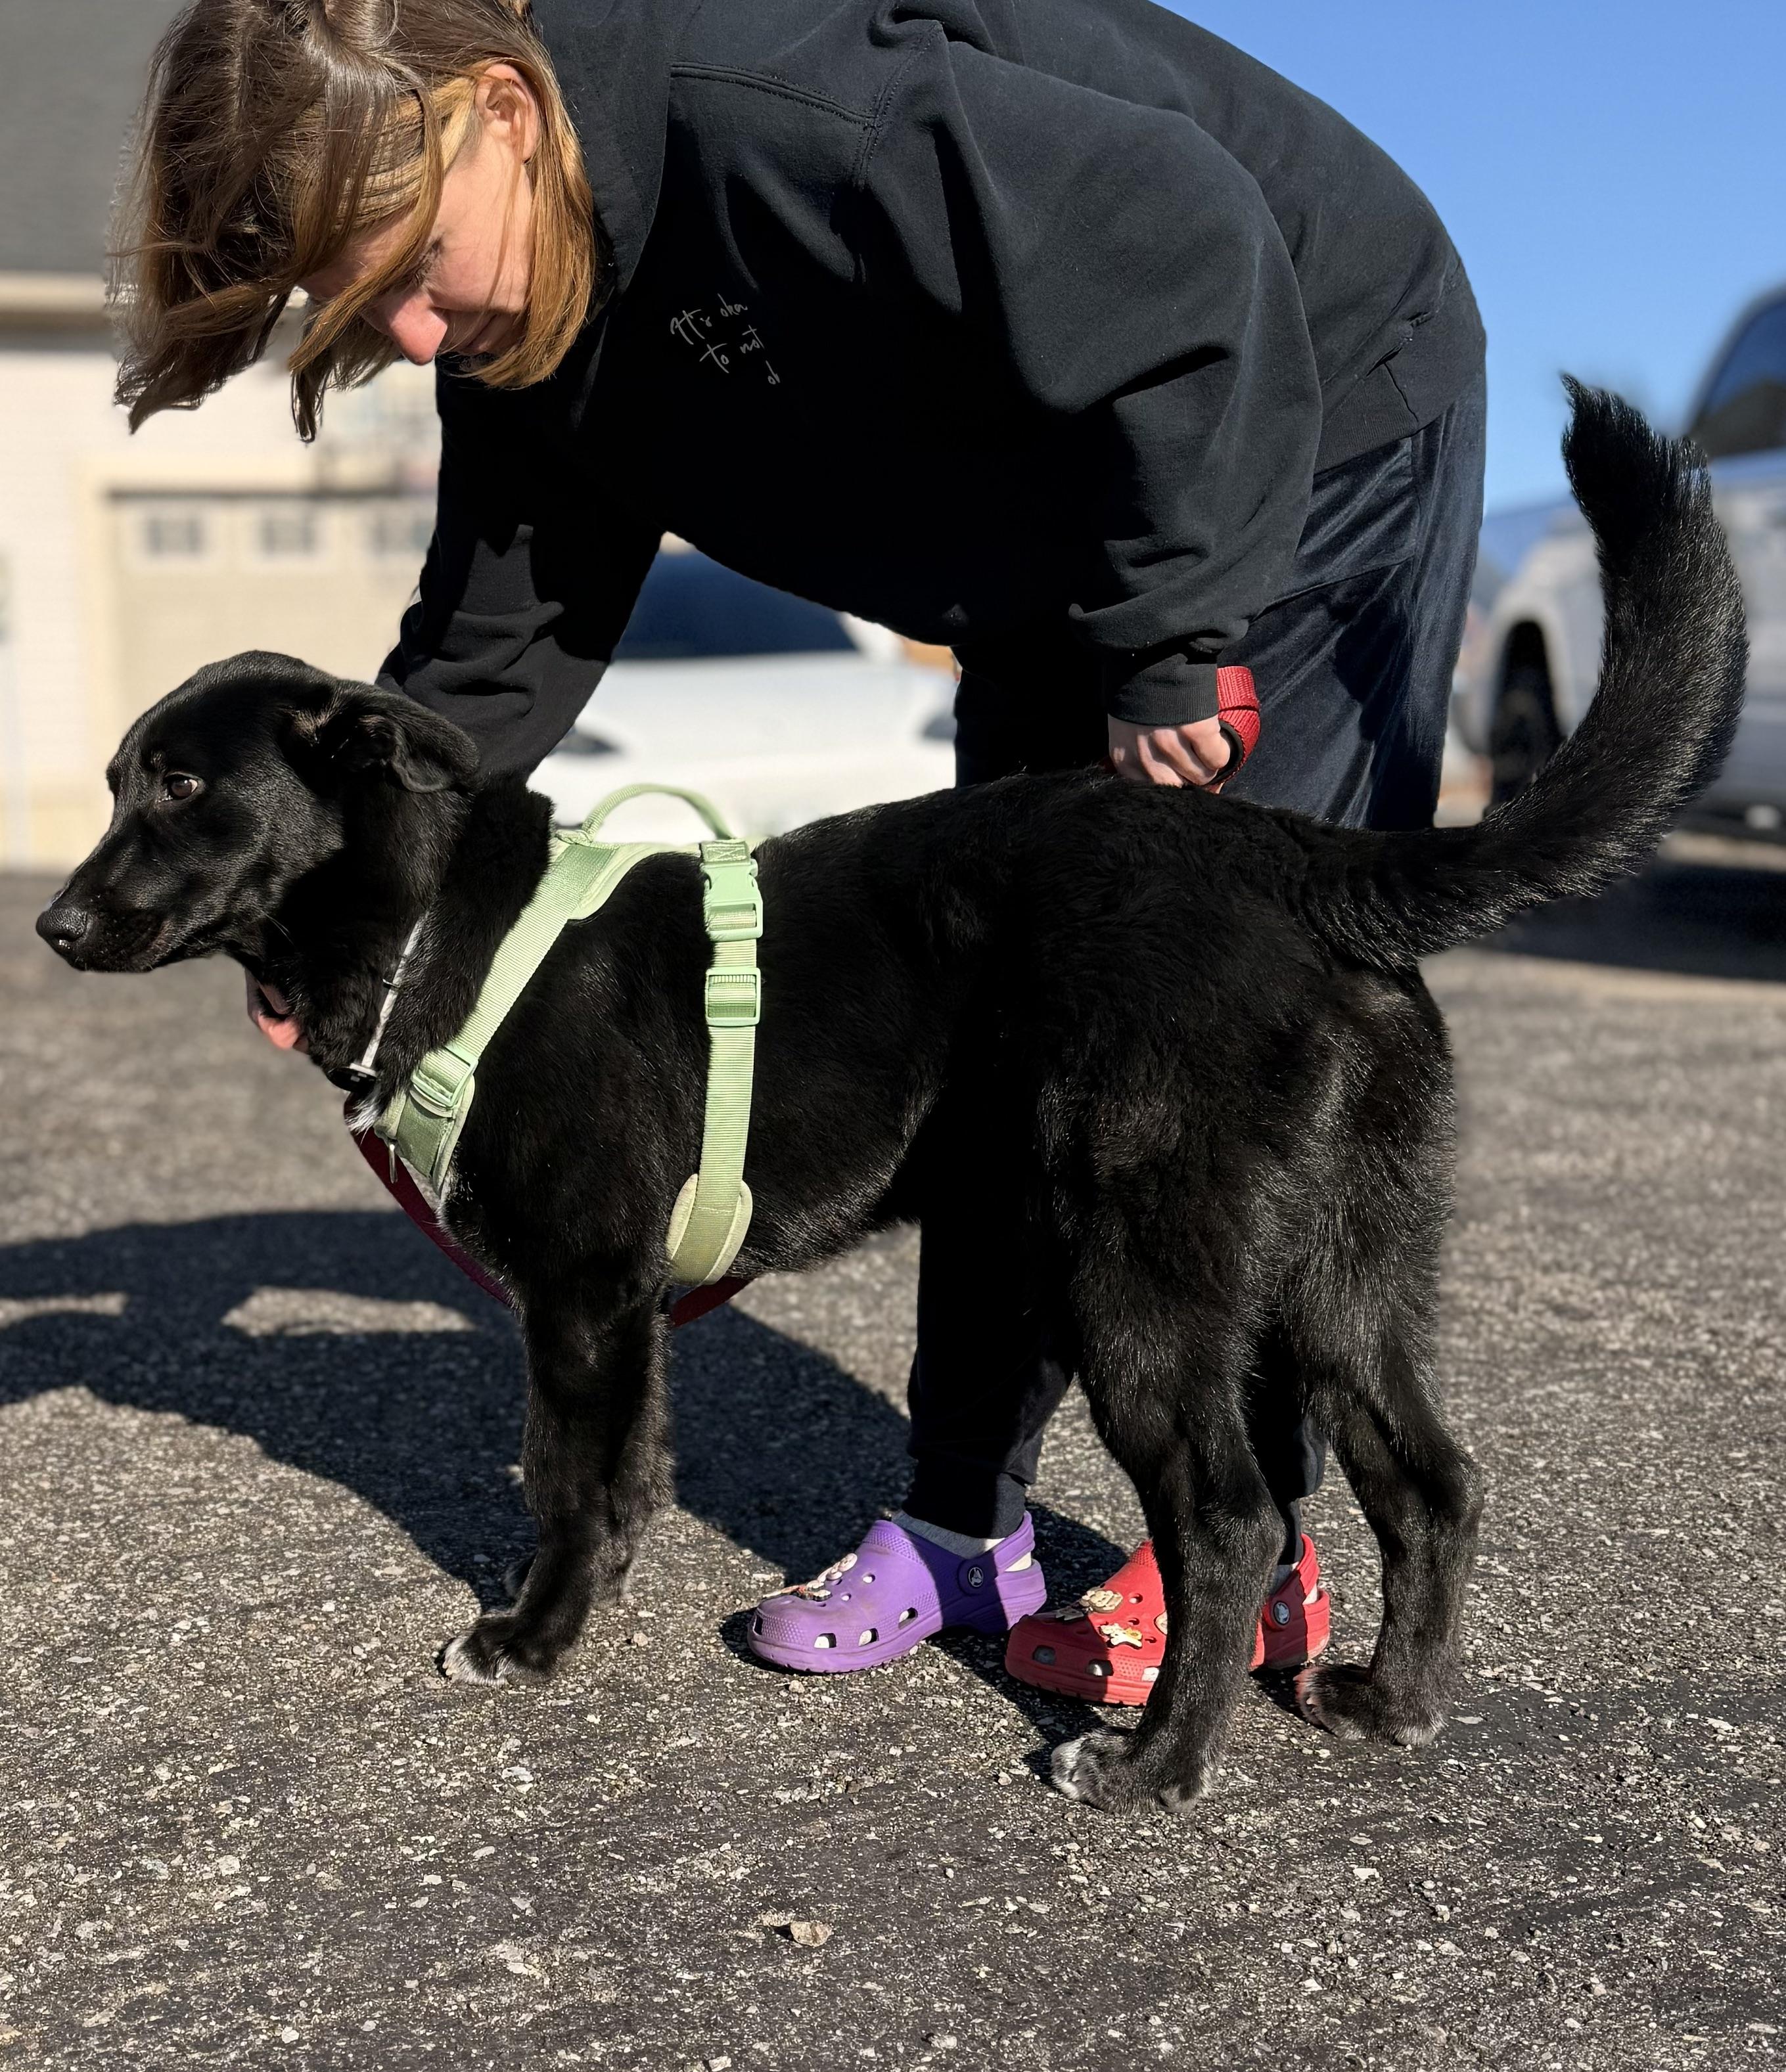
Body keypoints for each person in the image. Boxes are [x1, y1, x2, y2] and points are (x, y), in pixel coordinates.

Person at [120, 0, 1485, 1698]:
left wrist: (1174, 634)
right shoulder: (524, 322)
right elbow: (489, 665)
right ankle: (962, 1522)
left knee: (1210, 1042)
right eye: (360, 309)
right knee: (987, 1029)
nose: (407, 329)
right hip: (1053, 526)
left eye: (409, 265)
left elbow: (1187, 241)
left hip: (1299, 400)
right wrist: (351, 911)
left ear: (502, 112)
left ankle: (1246, 1548)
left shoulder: (772, 112)